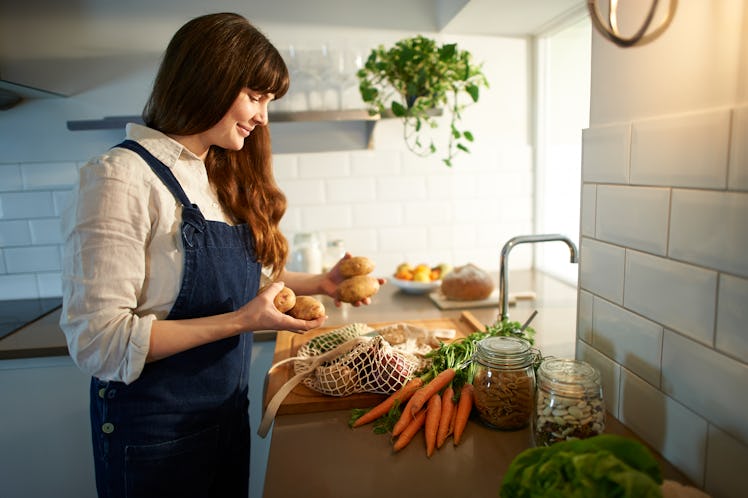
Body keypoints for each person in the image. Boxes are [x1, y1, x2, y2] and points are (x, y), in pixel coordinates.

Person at [60, 12, 381, 498]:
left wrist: (323, 283)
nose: (263, 117)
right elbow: (98, 342)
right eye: (255, 97)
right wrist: (240, 322)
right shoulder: (119, 177)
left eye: (267, 101)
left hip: (224, 417)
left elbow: (234, 280)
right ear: (207, 80)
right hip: (154, 438)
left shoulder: (213, 175)